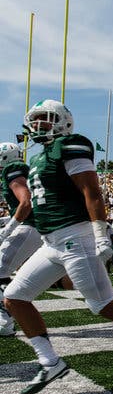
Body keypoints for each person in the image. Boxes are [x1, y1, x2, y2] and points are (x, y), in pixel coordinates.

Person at [3, 100, 113, 394]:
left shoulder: (72, 144)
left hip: (75, 236)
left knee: (103, 305)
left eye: (46, 119)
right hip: (50, 241)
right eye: (35, 120)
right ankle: (49, 361)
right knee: (13, 297)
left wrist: (101, 235)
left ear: (64, 121)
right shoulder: (40, 157)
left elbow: (91, 191)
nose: (39, 125)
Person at [0, 142, 42, 337]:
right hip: (33, 228)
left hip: (29, 228)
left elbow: (26, 202)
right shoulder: (21, 169)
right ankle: (7, 316)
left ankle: (5, 322)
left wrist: (6, 230)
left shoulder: (12, 169)